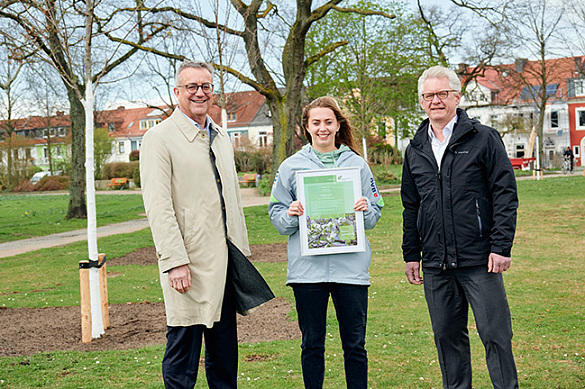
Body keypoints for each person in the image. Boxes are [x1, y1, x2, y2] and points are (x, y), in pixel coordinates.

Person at [140, 60, 270, 389]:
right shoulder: (159, 138)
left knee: (224, 355)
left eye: (206, 87)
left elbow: (232, 201)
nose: (200, 93)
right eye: (192, 87)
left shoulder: (220, 136)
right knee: (183, 352)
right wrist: (174, 261)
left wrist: (241, 251)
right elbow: (158, 206)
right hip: (188, 265)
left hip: (225, 264)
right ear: (177, 92)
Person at [401, 65, 519, 389]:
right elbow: (411, 206)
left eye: (442, 94)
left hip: (481, 260)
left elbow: (505, 194)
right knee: (447, 339)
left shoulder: (483, 139)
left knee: (496, 336)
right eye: (429, 95)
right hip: (436, 264)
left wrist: (501, 246)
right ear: (421, 101)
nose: (435, 101)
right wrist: (412, 254)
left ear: (457, 97)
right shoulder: (414, 150)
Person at [268, 96, 384, 389]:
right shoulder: (290, 167)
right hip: (307, 273)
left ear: (337, 125)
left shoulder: (356, 165)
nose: (323, 128)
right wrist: (293, 215)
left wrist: (365, 209)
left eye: (328, 122)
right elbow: (276, 215)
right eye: (316, 122)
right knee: (311, 345)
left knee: (355, 345)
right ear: (306, 127)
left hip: (351, 270)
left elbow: (375, 212)